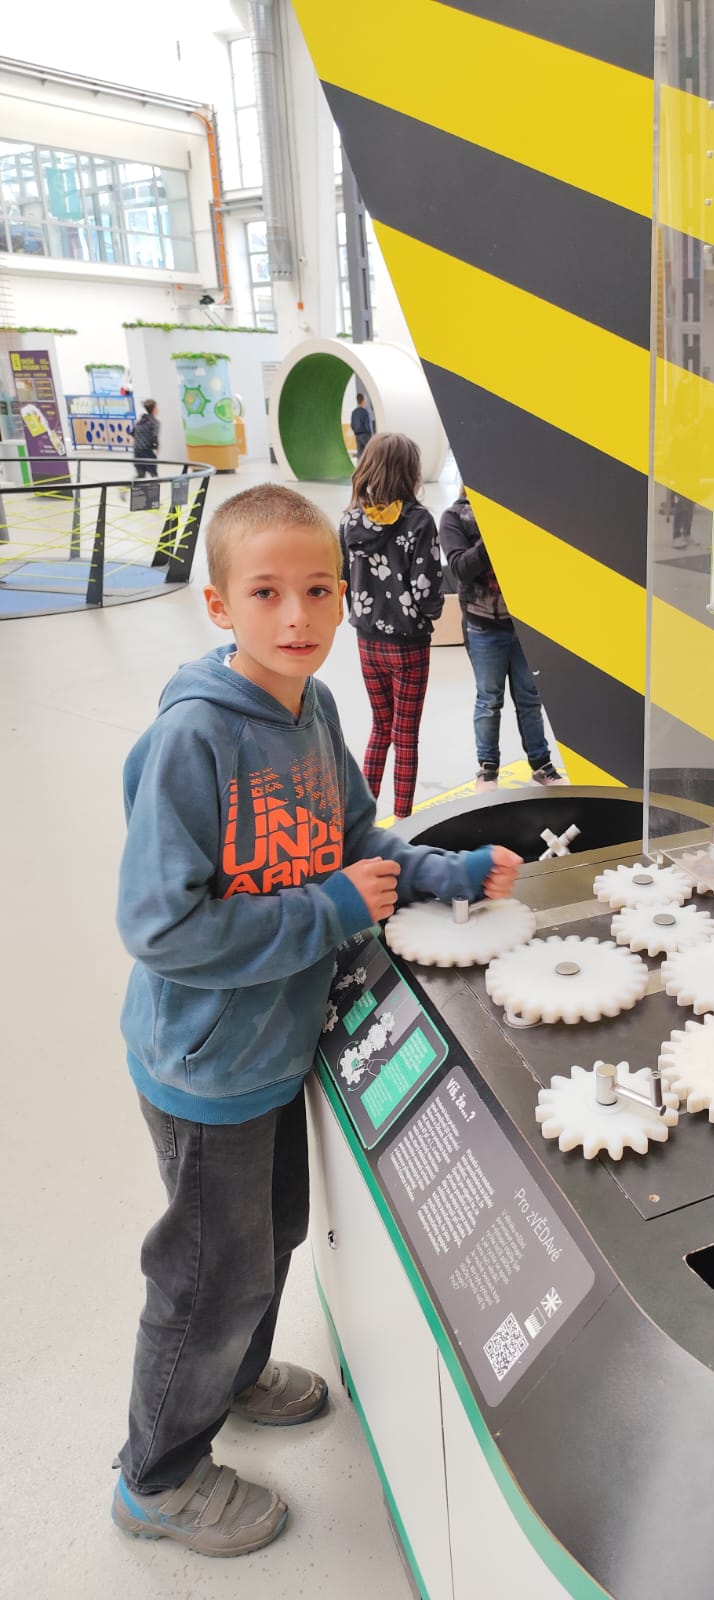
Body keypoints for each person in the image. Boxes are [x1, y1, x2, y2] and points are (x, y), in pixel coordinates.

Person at [111, 482, 521, 1558]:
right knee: (208, 1278)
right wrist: (328, 911)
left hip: (274, 1050)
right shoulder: (195, 738)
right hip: (206, 1068)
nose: (297, 615)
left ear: (345, 595)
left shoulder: (316, 711)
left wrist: (442, 872)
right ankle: (156, 1474)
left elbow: (354, 838)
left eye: (318, 590)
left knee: (272, 1240)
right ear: (218, 605)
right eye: (266, 592)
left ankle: (235, 1375)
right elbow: (159, 927)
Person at [339, 434, 444, 819]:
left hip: (367, 642)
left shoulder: (350, 520)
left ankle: (362, 822)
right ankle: (402, 821)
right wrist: (431, 613)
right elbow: (425, 588)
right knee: (405, 736)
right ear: (409, 470)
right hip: (409, 643)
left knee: (380, 729)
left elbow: (342, 578)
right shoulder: (419, 521)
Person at [440, 488, 568, 791]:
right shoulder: (454, 517)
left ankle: (542, 765)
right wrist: (493, 533)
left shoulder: (519, 509)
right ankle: (488, 770)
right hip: (482, 626)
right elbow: (459, 569)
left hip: (522, 625)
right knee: (488, 700)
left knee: (530, 699)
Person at [132, 398, 159, 480]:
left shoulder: (140, 420)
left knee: (140, 474)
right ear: (154, 409)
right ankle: (155, 487)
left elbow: (132, 432)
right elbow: (154, 436)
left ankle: (129, 485)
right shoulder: (154, 422)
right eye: (156, 407)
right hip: (146, 450)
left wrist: (139, 440)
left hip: (137, 449)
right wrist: (156, 446)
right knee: (154, 474)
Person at [349, 392, 373, 458]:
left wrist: (356, 432)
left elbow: (352, 425)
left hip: (357, 435)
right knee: (370, 452)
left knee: (360, 455)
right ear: (363, 401)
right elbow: (367, 425)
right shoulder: (364, 412)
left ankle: (360, 464)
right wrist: (370, 436)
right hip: (365, 435)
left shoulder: (354, 412)